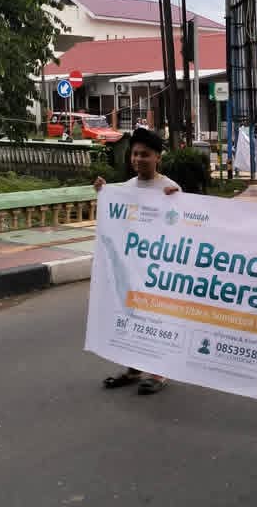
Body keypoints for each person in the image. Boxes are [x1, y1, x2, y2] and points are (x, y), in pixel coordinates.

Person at [94, 126, 180, 396]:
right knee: (130, 316)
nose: (138, 159)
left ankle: (158, 373)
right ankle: (133, 368)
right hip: (132, 269)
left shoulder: (170, 188)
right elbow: (115, 224)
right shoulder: (125, 189)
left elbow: (182, 228)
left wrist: (177, 203)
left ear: (158, 157)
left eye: (145, 154)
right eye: (135, 154)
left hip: (159, 270)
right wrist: (103, 194)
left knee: (156, 319)